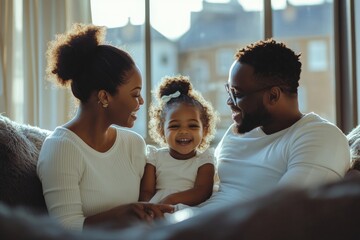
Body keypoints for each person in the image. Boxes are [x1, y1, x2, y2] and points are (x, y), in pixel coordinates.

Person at [36, 23, 173, 231]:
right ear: (104, 97)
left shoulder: (133, 144)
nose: (141, 102)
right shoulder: (61, 149)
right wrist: (123, 213)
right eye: (135, 94)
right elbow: (65, 231)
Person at [197, 38, 351, 212]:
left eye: (237, 94)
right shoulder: (237, 132)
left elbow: (284, 212)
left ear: (273, 96)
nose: (229, 102)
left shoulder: (321, 137)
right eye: (229, 91)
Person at [139, 75, 219, 209]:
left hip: (189, 212)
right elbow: (146, 192)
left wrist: (171, 199)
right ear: (161, 130)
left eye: (192, 126)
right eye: (175, 126)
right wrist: (148, 210)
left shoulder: (205, 159)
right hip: (157, 209)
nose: (183, 131)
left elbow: (202, 192)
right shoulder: (155, 157)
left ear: (204, 130)